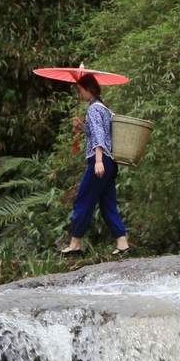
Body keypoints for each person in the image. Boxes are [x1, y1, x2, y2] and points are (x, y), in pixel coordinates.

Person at [62, 74, 130, 256]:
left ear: (88, 89)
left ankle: (75, 243)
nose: (80, 94)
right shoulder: (104, 108)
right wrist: (82, 127)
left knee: (83, 200)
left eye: (80, 90)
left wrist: (98, 161)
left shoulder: (93, 109)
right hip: (111, 162)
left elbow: (99, 136)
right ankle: (122, 243)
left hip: (100, 161)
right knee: (107, 203)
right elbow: (100, 133)